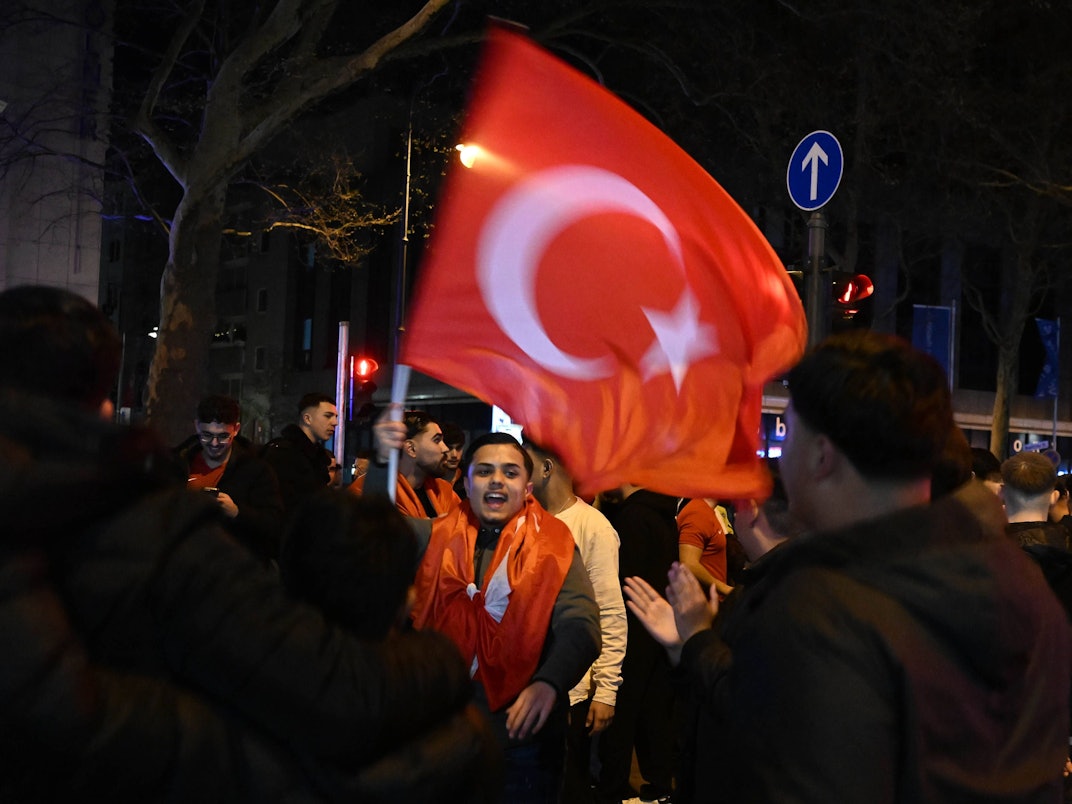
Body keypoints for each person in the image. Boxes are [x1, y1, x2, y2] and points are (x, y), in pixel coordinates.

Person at [0, 285, 498, 802]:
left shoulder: (148, 511)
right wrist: (447, 661)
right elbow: (333, 690)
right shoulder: (142, 525)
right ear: (99, 407)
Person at [630, 330, 1071, 803]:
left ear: (821, 455)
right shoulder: (1016, 577)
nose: (780, 451)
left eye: (789, 430)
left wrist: (701, 644)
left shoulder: (822, 605)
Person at [366, 417, 601, 802]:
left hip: (521, 743)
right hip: (441, 735)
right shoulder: (435, 535)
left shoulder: (554, 548)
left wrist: (549, 682)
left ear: (527, 487)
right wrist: (380, 460)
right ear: (466, 481)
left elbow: (582, 625)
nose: (496, 481)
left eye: (510, 472)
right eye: (485, 471)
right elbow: (374, 528)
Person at [525, 439, 627, 803]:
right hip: (525, 684)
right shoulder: (524, 517)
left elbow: (610, 611)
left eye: (524, 460)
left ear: (547, 468)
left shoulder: (592, 526)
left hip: (572, 690)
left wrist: (606, 691)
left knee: (568, 786)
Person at [596, 484, 680, 804]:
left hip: (631, 622)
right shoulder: (665, 514)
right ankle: (658, 783)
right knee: (654, 707)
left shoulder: (631, 517)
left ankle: (611, 787)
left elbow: (622, 579)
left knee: (623, 707)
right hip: (659, 622)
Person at [175, 394, 285, 564]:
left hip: (233, 570)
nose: (214, 443)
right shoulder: (179, 463)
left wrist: (237, 512)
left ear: (236, 429)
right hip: (186, 566)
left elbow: (274, 525)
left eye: (223, 436)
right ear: (196, 426)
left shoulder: (256, 470)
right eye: (206, 435)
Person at [350, 409, 459, 518]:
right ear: (411, 449)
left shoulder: (443, 490)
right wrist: (439, 526)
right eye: (437, 440)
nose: (445, 448)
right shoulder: (368, 489)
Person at [262, 392, 338, 518]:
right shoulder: (283, 454)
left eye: (335, 416)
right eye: (328, 416)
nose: (335, 422)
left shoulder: (318, 456)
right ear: (307, 418)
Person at [676, 497, 730, 594]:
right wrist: (726, 590)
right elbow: (689, 564)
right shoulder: (698, 513)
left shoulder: (705, 511)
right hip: (707, 602)